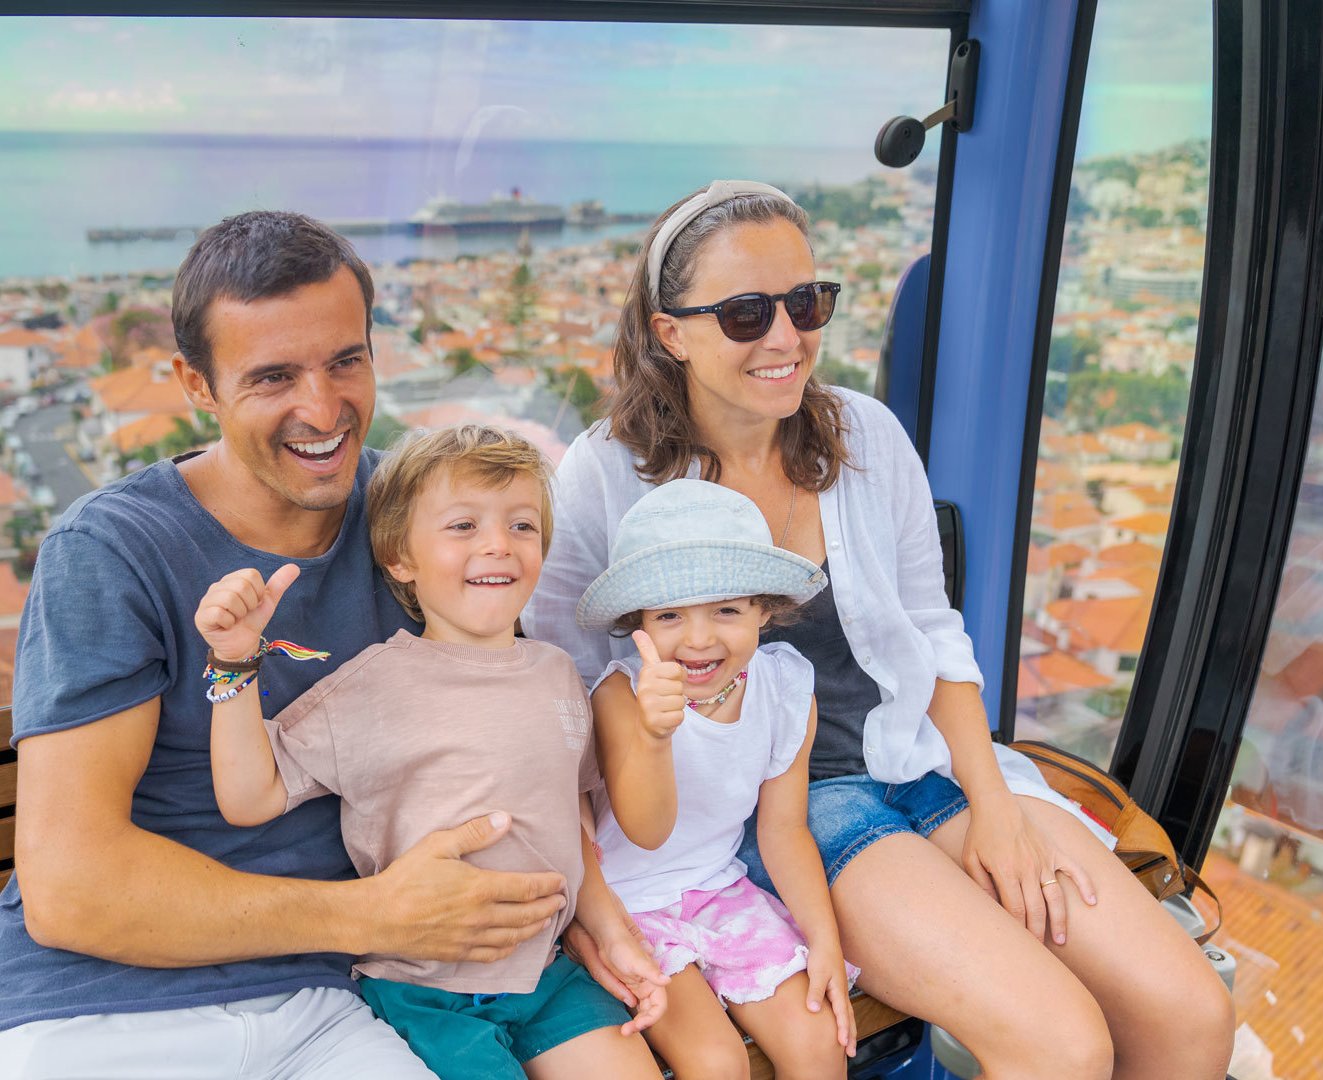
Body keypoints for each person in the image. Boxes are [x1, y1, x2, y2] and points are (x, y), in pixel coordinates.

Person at [524, 181, 1236, 1080]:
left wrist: (994, 805)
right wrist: (600, 907)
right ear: (671, 331)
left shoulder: (865, 434)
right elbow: (566, 700)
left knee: (1191, 1015)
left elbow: (933, 631)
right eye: (746, 314)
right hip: (781, 810)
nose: (786, 337)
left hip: (921, 760)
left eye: (806, 303)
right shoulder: (602, 476)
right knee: (1061, 1043)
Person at [0, 212, 595, 1079]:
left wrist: (593, 919)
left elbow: (524, 734)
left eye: (346, 360)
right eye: (273, 375)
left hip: (331, 1003)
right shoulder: (114, 552)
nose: (322, 409)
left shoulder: (427, 524)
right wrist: (374, 917)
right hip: (93, 1006)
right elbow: (71, 888)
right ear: (196, 385)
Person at [196, 424, 668, 1080]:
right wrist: (234, 663)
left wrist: (609, 932)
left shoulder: (558, 673)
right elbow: (251, 796)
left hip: (546, 975)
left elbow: (572, 820)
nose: (498, 544)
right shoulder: (376, 683)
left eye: (522, 526)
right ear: (401, 559)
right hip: (425, 988)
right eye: (463, 526)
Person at [581, 478, 859, 1080]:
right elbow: (647, 831)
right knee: (717, 1064)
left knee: (819, 1046)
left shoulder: (786, 689)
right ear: (640, 624)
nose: (700, 638)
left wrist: (826, 940)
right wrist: (656, 735)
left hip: (717, 890)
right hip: (627, 905)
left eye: (727, 610)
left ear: (764, 608)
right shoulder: (619, 696)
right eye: (671, 615)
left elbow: (783, 832)